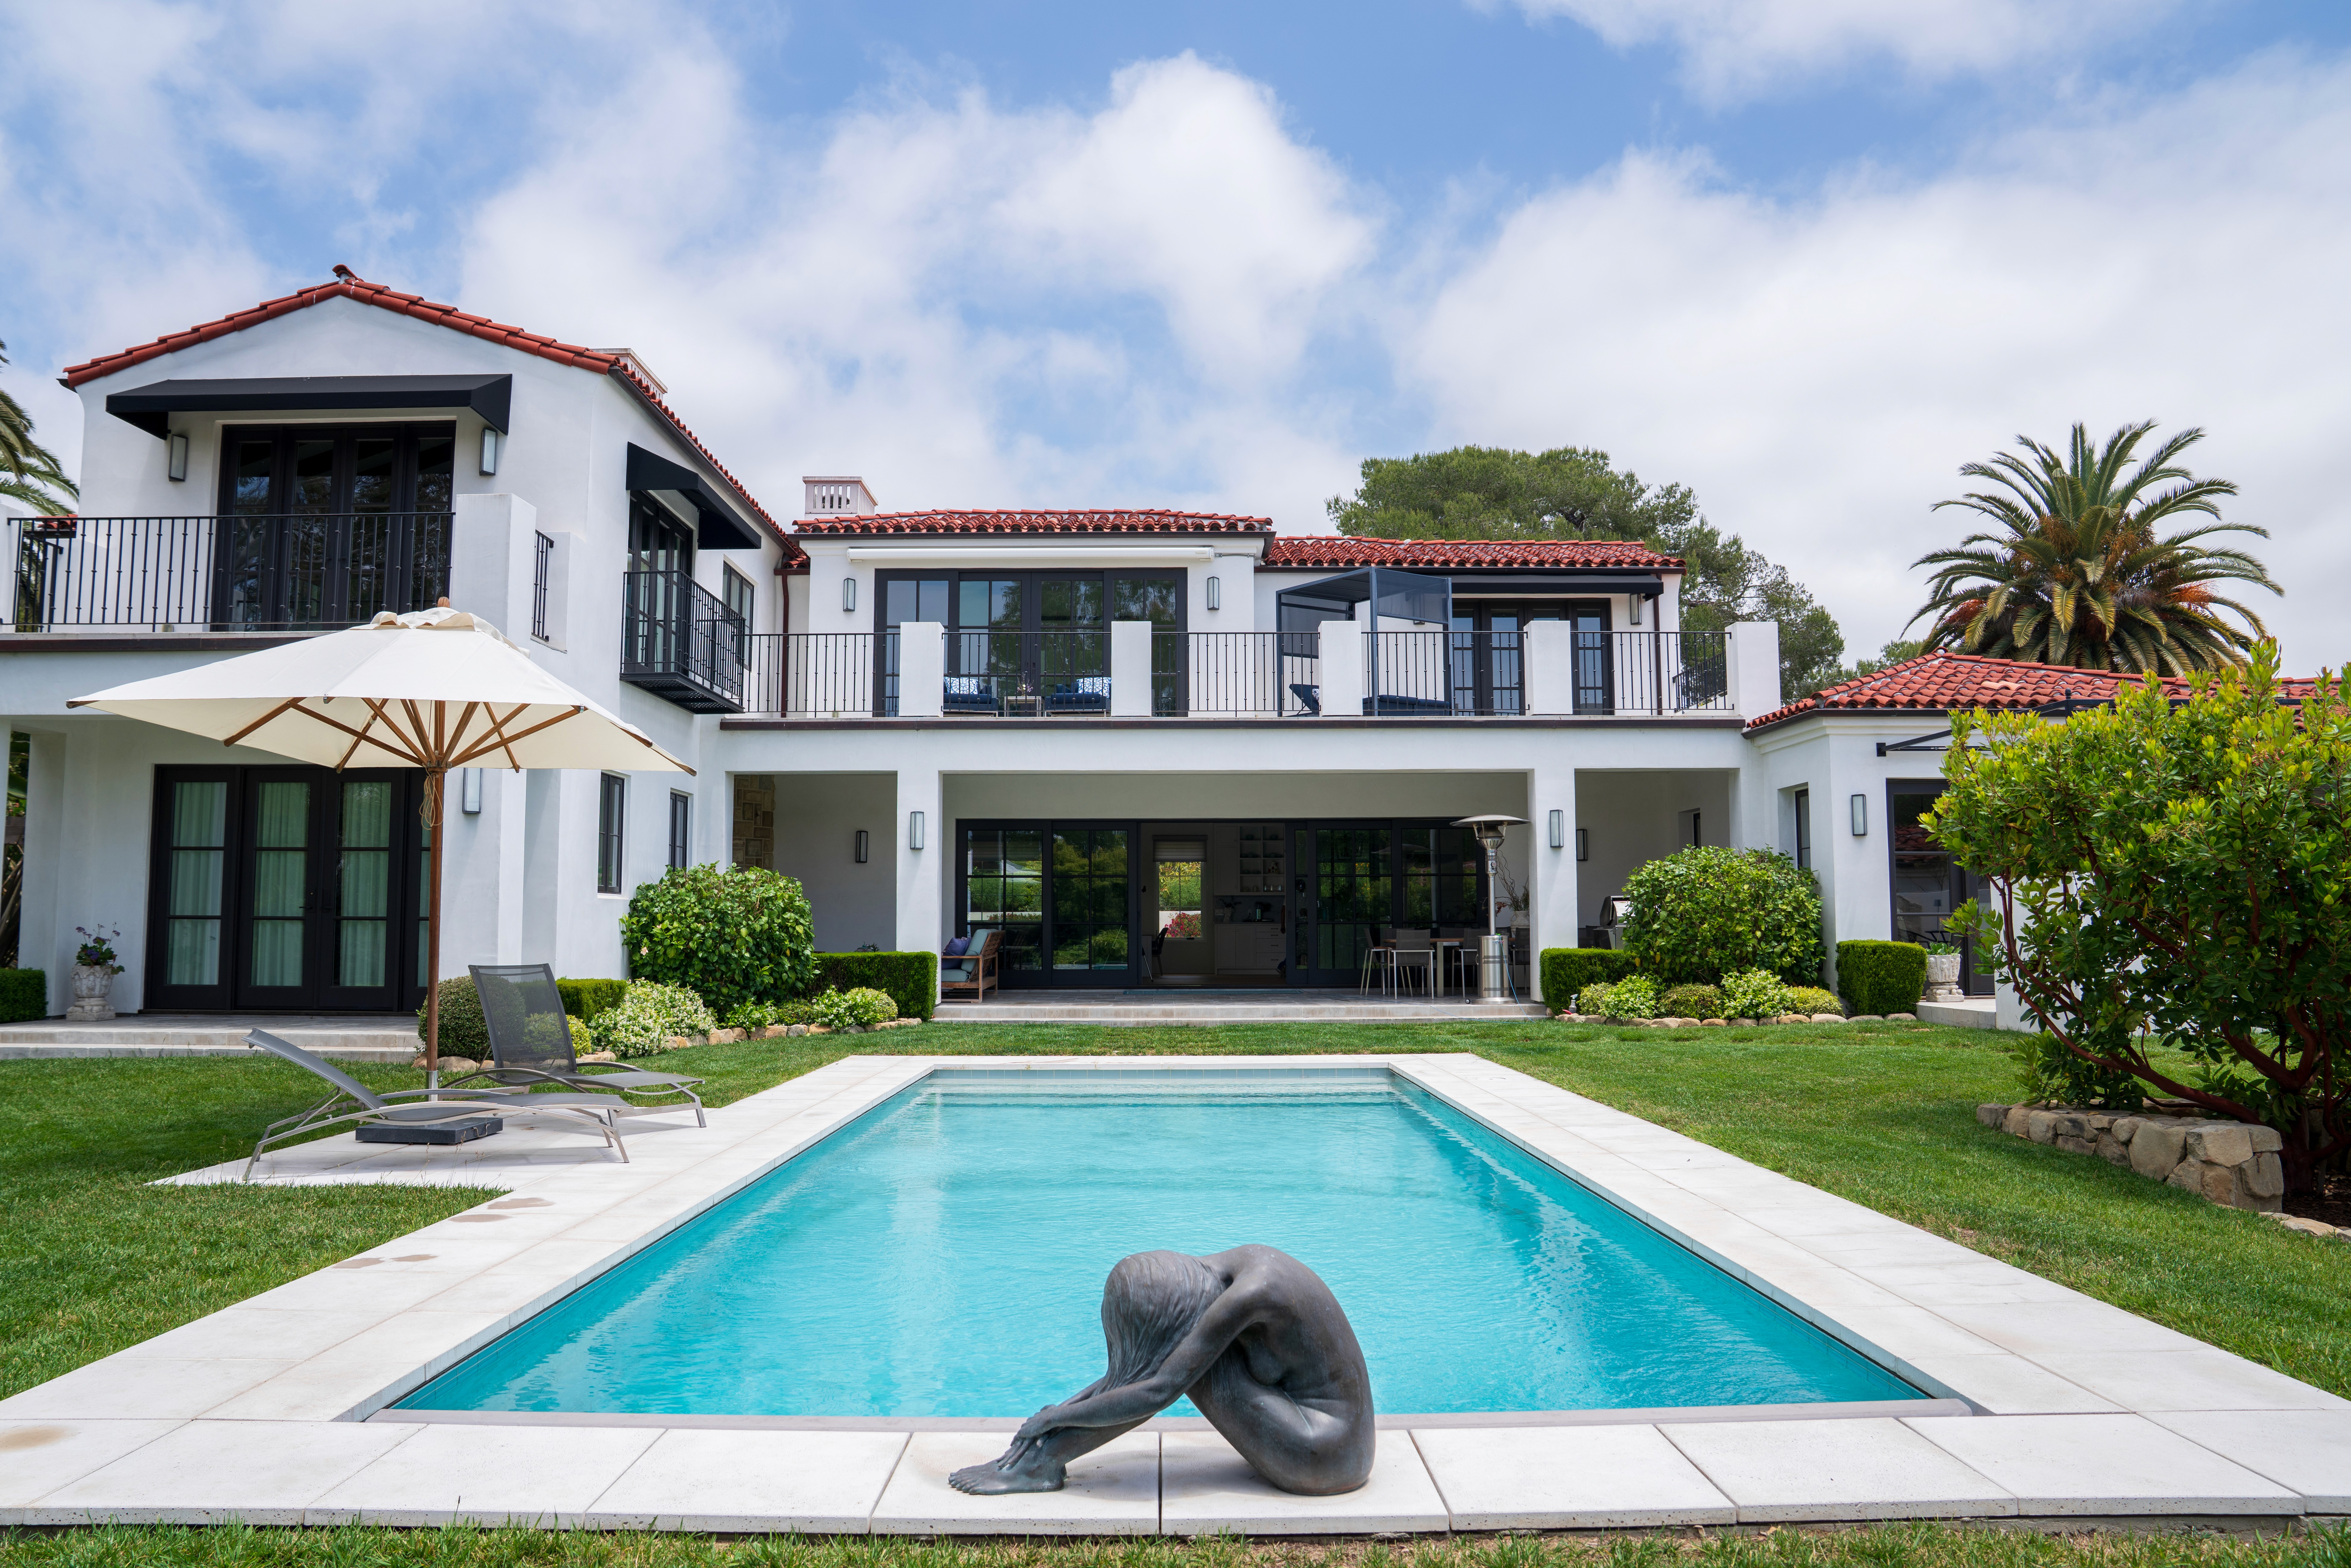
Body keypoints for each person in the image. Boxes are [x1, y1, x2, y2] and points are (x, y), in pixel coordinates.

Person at [949, 1244, 1374, 1497]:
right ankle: (1039, 1462)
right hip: (1316, 1432)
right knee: (1184, 1360)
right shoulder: (1215, 1274)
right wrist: (1055, 1416)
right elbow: (1139, 1376)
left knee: (1191, 1366)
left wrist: (1055, 1420)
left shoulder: (1250, 1297)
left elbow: (1157, 1389)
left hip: (1327, 1454)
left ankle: (1038, 1469)